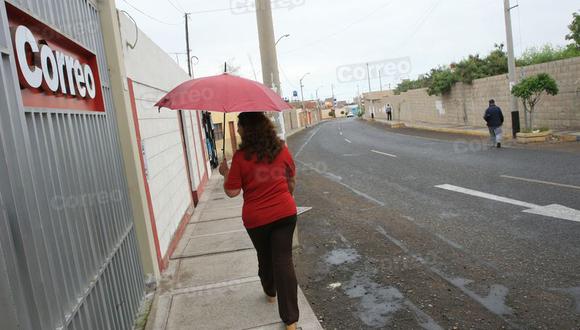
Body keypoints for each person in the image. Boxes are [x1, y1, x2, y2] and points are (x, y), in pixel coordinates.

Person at [219, 112, 299, 330]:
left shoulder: (240, 157)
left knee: (266, 257)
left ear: (248, 129)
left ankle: (270, 290)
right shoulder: (281, 149)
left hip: (257, 220)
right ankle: (291, 320)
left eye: (240, 126)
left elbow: (232, 192)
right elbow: (291, 179)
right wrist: (284, 197)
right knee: (283, 261)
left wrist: (225, 174)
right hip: (285, 214)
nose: (237, 130)